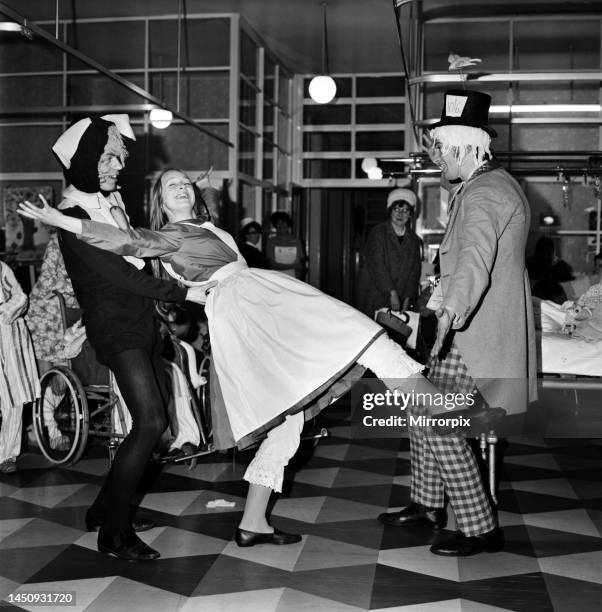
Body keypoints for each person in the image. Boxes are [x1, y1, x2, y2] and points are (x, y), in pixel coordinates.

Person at [20, 168, 473, 549]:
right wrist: (62, 218)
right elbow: (120, 241)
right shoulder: (166, 236)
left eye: (185, 183)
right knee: (360, 335)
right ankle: (438, 404)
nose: (180, 186)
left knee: (289, 417)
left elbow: (205, 262)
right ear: (160, 200)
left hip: (258, 298)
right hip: (249, 310)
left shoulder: (207, 226)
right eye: (170, 185)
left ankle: (253, 521)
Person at [31, 115, 207, 562]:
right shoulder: (72, 216)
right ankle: (114, 533)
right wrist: (186, 293)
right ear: (86, 160)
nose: (116, 166)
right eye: (108, 157)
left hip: (141, 326)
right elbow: (119, 275)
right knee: (151, 423)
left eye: (117, 158)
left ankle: (102, 510)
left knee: (151, 421)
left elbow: (141, 255)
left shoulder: (110, 203)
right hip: (114, 328)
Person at [378, 89, 537, 556]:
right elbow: (460, 202)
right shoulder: (482, 184)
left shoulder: (487, 192)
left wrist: (449, 312)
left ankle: (479, 526)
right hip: (469, 335)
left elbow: (473, 260)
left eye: (443, 150)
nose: (438, 159)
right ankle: (429, 503)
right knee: (419, 406)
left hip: (476, 335)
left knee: (438, 417)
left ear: (465, 147)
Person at [25, 233, 79, 451]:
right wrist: (79, 288)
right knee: (47, 379)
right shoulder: (60, 239)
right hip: (43, 315)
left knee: (61, 381)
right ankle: (49, 429)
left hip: (70, 316)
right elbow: (47, 278)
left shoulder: (94, 240)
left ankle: (39, 427)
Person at [0, 260, 40, 474]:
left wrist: (5, 313)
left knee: (13, 396)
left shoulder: (1, 268)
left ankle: (7, 454)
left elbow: (20, 297)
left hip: (8, 338)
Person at [356, 188, 422, 316]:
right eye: (396, 209)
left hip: (401, 301)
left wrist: (408, 298)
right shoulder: (378, 233)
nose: (400, 214)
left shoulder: (414, 240)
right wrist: (392, 293)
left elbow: (414, 271)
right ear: (390, 211)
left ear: (410, 214)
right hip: (374, 297)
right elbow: (377, 266)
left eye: (405, 210)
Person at [265, 210, 305, 278]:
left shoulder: (296, 241)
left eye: (284, 222)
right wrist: (292, 266)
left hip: (293, 278)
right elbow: (272, 264)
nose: (281, 225)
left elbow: (299, 265)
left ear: (288, 224)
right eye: (278, 223)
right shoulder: (271, 241)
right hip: (276, 278)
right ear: (275, 225)